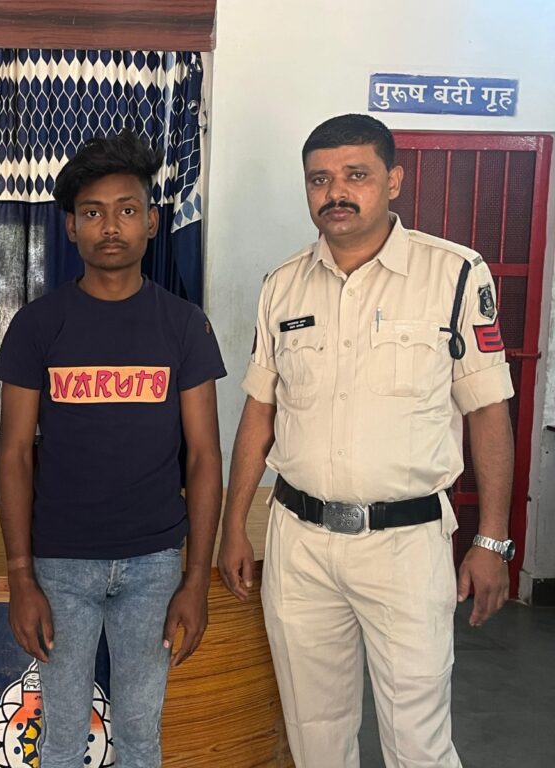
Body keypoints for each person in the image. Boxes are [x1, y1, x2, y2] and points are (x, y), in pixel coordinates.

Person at [218, 113, 515, 768]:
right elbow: (259, 413)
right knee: (315, 735)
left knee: (418, 743)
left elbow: (489, 413)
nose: (337, 192)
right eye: (319, 179)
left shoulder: (454, 274)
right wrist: (234, 525)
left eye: (356, 175)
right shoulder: (282, 285)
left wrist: (492, 540)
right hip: (300, 544)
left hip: (405, 546)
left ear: (394, 181)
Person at [0, 130, 226, 768]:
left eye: (127, 209)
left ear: (151, 221)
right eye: (93, 213)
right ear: (71, 227)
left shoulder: (184, 325)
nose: (111, 226)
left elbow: (205, 457)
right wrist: (21, 575)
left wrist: (196, 579)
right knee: (62, 740)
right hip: (59, 564)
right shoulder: (38, 325)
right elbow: (14, 454)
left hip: (155, 563)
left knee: (141, 736)